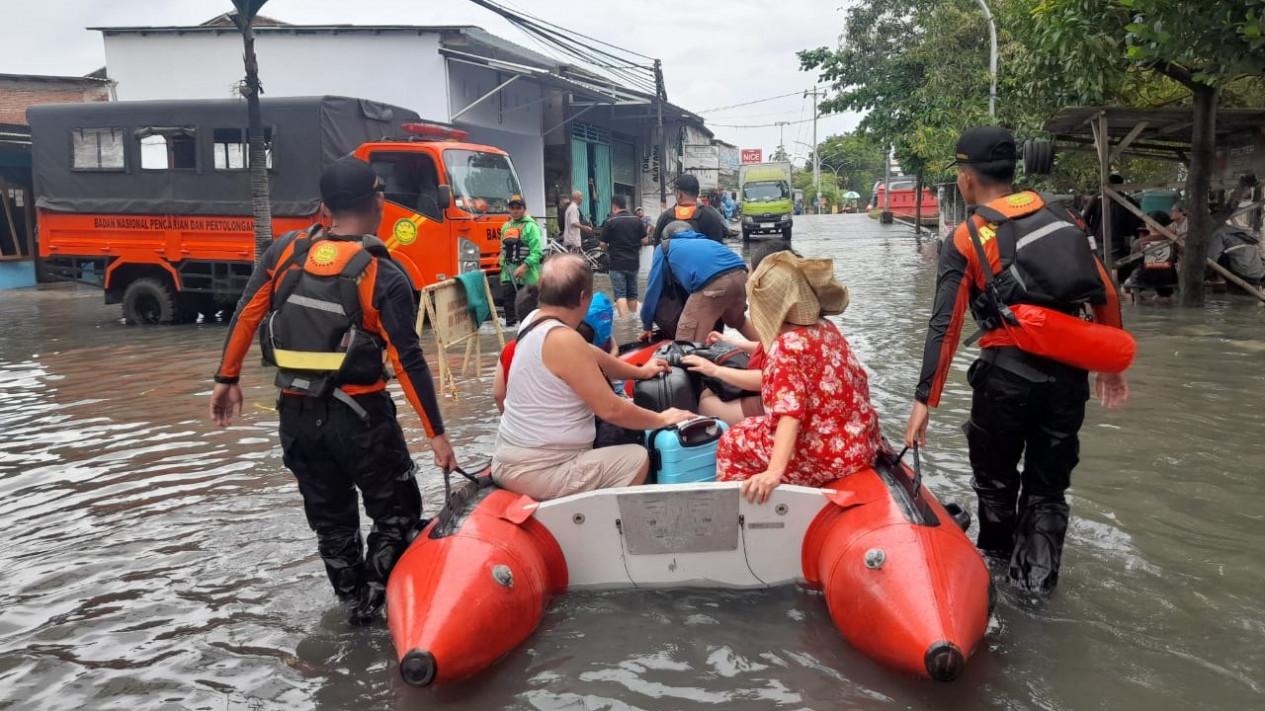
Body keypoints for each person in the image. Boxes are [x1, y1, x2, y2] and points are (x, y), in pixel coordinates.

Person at [208, 157, 458, 625]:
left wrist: (227, 378)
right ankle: (378, 611)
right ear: (380, 202)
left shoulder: (285, 251)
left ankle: (350, 611)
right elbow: (408, 360)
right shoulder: (384, 273)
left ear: (324, 208)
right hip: (362, 419)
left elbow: (247, 312)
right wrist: (437, 435)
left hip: (297, 418)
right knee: (397, 517)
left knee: (332, 525)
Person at [904, 126, 1130, 594]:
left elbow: (945, 325)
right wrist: (1111, 361)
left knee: (995, 486)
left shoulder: (967, 237)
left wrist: (925, 399)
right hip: (1068, 378)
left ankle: (995, 580)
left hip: (1004, 380)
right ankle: (1038, 591)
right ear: (1012, 172)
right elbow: (1104, 292)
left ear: (967, 178)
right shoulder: (1065, 216)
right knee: (1048, 492)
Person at [493, 254, 695, 500]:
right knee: (635, 458)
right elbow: (611, 409)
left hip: (512, 458)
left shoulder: (533, 321)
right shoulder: (564, 340)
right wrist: (661, 419)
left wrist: (640, 371)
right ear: (583, 298)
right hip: (542, 470)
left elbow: (591, 354)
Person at [715, 251, 881, 504]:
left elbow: (790, 414)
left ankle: (744, 518)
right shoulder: (826, 328)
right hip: (860, 445)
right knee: (753, 429)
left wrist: (773, 472)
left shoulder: (787, 346)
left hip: (823, 455)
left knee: (732, 439)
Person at [680, 241, 796, 425]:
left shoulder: (788, 324)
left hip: (785, 404)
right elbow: (777, 350)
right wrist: (733, 343)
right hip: (788, 396)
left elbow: (771, 379)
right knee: (711, 390)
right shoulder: (798, 314)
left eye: (750, 272)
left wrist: (716, 370)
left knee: (705, 404)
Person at [639, 222, 760, 343]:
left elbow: (653, 288)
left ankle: (688, 359)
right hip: (742, 276)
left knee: (686, 336)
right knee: (738, 321)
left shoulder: (664, 247)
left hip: (714, 283)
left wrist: (647, 324)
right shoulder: (708, 242)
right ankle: (770, 351)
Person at [1082, 174, 1143, 282]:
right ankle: (1114, 290)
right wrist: (1130, 235)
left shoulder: (1097, 197)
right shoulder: (1126, 199)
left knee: (1100, 264)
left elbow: (1084, 217)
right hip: (1118, 239)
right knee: (1115, 265)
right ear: (1121, 185)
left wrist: (1090, 232)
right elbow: (1135, 221)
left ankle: (1105, 289)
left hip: (1099, 238)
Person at [600, 195, 650, 318]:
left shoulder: (610, 221)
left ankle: (624, 323)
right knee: (632, 294)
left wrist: (610, 246)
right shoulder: (637, 220)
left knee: (620, 295)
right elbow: (645, 241)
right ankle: (633, 321)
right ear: (625, 206)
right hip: (633, 263)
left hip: (617, 263)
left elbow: (602, 244)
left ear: (614, 207)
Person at [499, 194, 544, 327]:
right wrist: (502, 270)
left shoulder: (532, 227)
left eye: (518, 208)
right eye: (512, 208)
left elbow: (537, 252)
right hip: (509, 274)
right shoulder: (506, 227)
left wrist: (524, 267)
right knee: (509, 311)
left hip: (528, 276)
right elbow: (503, 250)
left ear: (524, 209)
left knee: (529, 314)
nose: (515, 211)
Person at [652, 175, 729, 244]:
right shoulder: (711, 217)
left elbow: (657, 250)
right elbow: (717, 250)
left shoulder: (666, 217)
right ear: (697, 193)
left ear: (679, 194)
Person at [1122, 211, 1179, 300]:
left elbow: (1132, 263)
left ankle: (1138, 301)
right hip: (1168, 278)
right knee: (1164, 296)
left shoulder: (1139, 242)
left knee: (1124, 289)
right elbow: (1175, 259)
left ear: (1151, 225)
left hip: (1143, 278)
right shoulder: (1174, 242)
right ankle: (1163, 299)